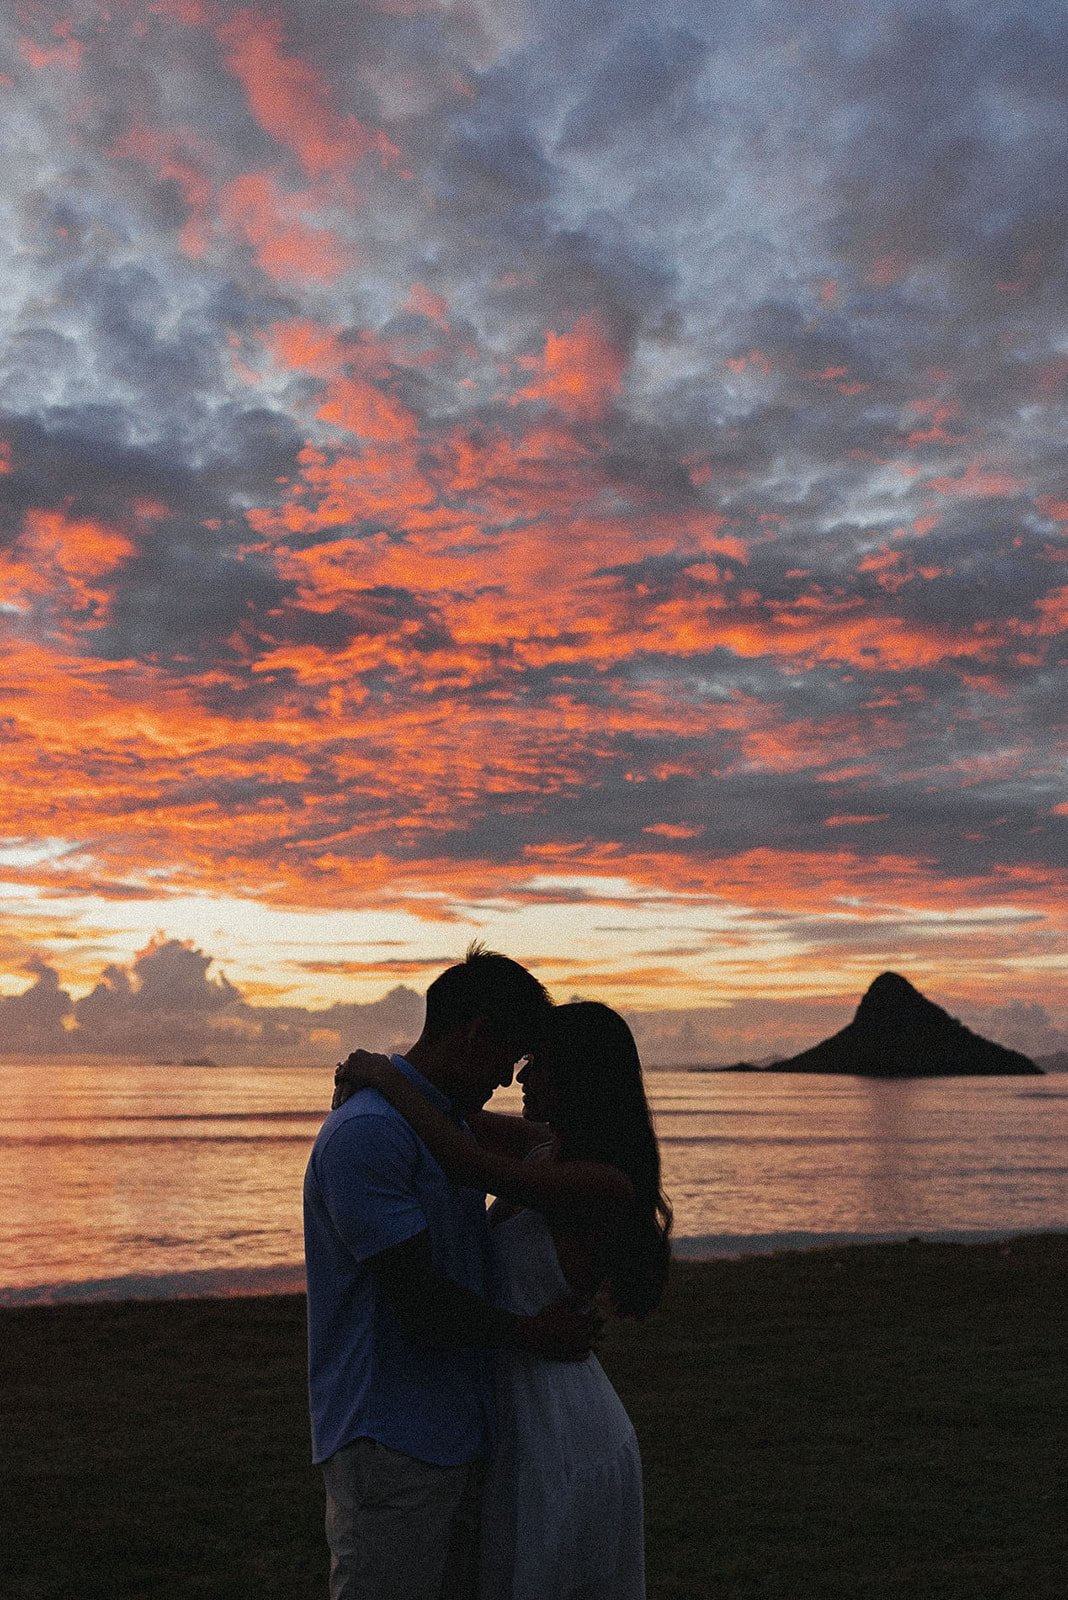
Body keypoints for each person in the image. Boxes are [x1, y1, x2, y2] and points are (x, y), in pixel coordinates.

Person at [334, 999, 672, 1600]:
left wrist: (385, 1075)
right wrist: (383, 1093)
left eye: (535, 1063)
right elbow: (451, 1115)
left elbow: (462, 1158)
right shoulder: (548, 1146)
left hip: (563, 1426)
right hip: (518, 1409)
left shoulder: (600, 1182)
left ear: (577, 1076)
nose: (518, 1076)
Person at [304, 947, 599, 1600]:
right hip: (393, 1439)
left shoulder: (438, 1127)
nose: (505, 1079)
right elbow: (420, 1302)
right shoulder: (371, 1136)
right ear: (476, 1034)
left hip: (458, 1432)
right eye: (508, 1057)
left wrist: (386, 1076)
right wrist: (534, 1333)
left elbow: (490, 1155)